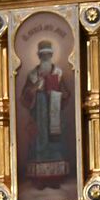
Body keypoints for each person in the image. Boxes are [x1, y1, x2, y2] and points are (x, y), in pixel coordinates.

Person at [20, 39, 74, 190]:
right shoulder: (32, 75)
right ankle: (40, 180)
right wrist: (35, 89)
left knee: (55, 145)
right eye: (43, 56)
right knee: (39, 146)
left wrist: (57, 92)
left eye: (48, 55)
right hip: (39, 117)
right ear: (39, 56)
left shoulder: (58, 73)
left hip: (54, 114)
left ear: (51, 56)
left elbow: (66, 93)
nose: (45, 58)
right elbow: (24, 96)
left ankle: (55, 179)